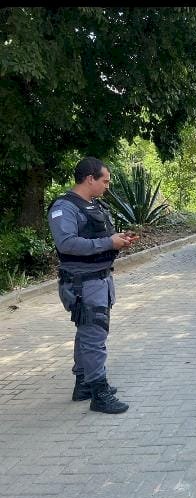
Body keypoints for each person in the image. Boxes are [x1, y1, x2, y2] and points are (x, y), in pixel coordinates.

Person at [47, 156, 136, 414]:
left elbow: (97, 237)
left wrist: (117, 239)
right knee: (93, 336)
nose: (107, 186)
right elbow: (66, 243)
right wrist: (108, 243)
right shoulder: (64, 207)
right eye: (104, 181)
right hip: (83, 283)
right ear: (90, 179)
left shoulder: (92, 206)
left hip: (98, 279)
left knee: (86, 332)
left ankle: (83, 383)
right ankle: (99, 393)